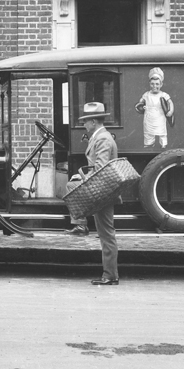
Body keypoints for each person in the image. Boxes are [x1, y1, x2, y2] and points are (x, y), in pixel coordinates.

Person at [67, 102, 120, 286]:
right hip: (102, 190)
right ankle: (110, 274)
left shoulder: (103, 139)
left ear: (94, 121)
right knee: (106, 233)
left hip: (103, 191)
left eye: (86, 121)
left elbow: (100, 168)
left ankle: (110, 275)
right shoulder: (99, 137)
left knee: (106, 234)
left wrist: (82, 177)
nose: (84, 125)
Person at [135, 67, 173, 149]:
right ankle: (149, 146)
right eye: (152, 84)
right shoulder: (146, 94)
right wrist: (142, 106)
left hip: (159, 117)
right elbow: (140, 103)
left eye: (157, 84)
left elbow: (170, 103)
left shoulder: (163, 95)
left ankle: (163, 147)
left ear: (161, 84)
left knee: (162, 134)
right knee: (149, 134)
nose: (154, 86)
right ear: (149, 84)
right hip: (149, 117)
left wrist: (170, 111)